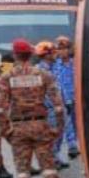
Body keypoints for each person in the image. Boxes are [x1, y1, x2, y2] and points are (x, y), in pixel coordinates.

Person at [0, 39, 65, 178]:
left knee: (22, 172)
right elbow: (58, 106)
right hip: (41, 127)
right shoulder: (44, 75)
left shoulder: (6, 78)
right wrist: (58, 129)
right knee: (49, 170)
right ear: (31, 54)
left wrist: (5, 132)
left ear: (15, 55)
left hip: (18, 129)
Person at [34, 40, 67, 170]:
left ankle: (56, 155)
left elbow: (60, 86)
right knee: (51, 134)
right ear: (46, 55)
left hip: (60, 106)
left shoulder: (56, 67)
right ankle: (51, 158)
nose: (56, 54)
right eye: (53, 52)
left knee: (60, 133)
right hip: (49, 109)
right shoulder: (38, 70)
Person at [53, 36, 79, 159]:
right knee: (65, 122)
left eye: (64, 48)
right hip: (62, 99)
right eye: (59, 49)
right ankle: (71, 145)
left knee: (76, 123)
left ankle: (76, 144)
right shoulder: (54, 65)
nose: (62, 51)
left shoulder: (76, 63)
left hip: (76, 98)